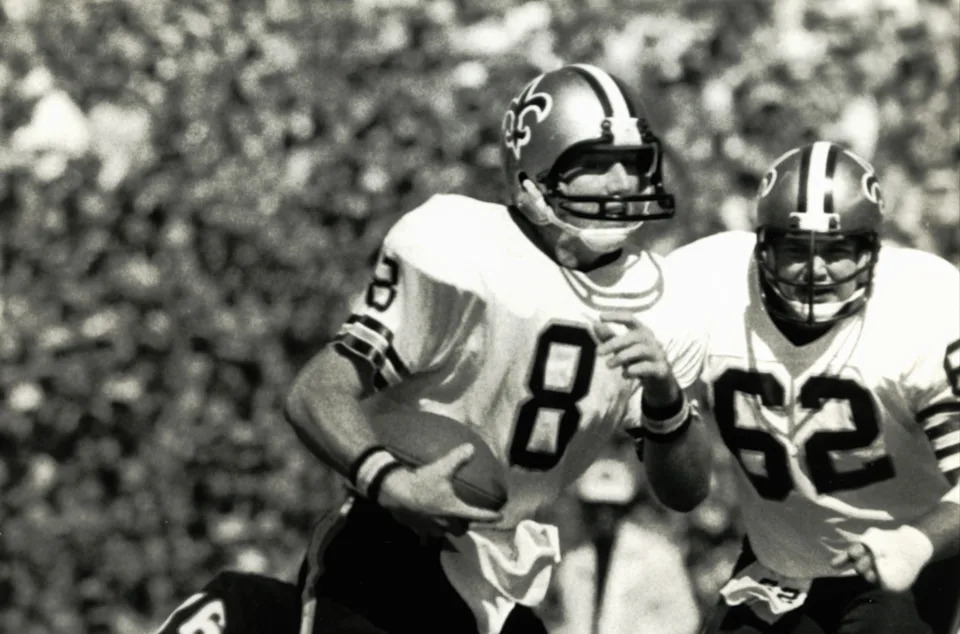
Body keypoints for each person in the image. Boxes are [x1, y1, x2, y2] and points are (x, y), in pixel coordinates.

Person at [155, 63, 713, 634]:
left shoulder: (664, 300)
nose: (622, 180)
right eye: (596, 164)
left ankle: (251, 616)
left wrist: (669, 403)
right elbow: (315, 391)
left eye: (634, 162)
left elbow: (687, 491)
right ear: (535, 173)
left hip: (507, 566)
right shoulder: (457, 247)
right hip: (394, 541)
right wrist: (394, 483)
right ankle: (245, 613)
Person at [656, 141, 960, 633]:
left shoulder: (920, 304)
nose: (815, 270)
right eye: (795, 249)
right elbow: (679, 490)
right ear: (763, 245)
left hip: (905, 569)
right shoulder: (709, 283)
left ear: (870, 251)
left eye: (838, 251)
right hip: (778, 564)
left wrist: (914, 543)